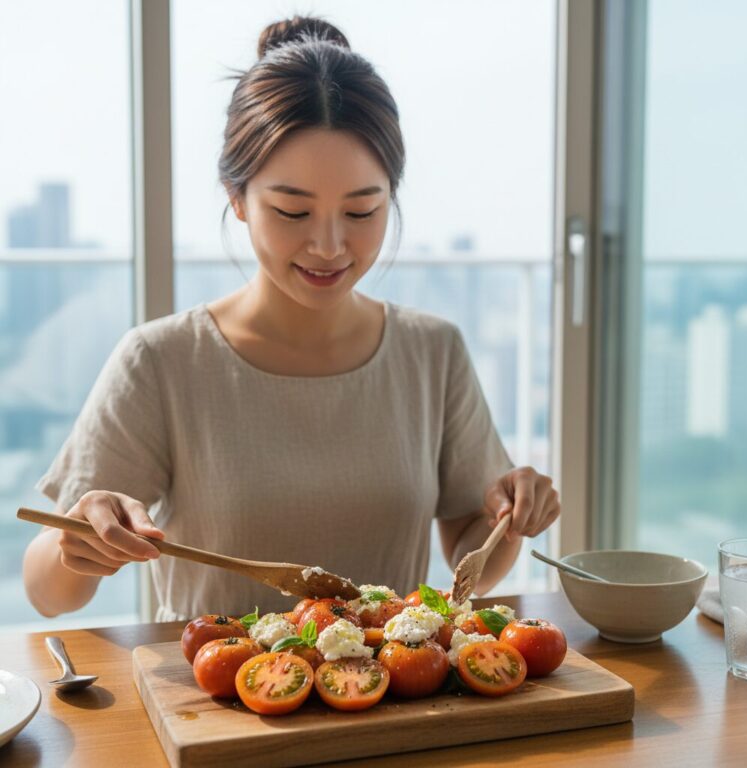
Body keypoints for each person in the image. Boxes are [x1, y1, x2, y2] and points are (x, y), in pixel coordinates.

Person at [22, 16, 560, 622]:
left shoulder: (433, 351)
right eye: (291, 211)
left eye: (361, 212)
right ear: (238, 199)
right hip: (218, 705)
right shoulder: (163, 360)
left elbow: (470, 555)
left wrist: (509, 522)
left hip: (389, 701)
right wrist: (78, 544)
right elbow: (44, 594)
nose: (329, 246)